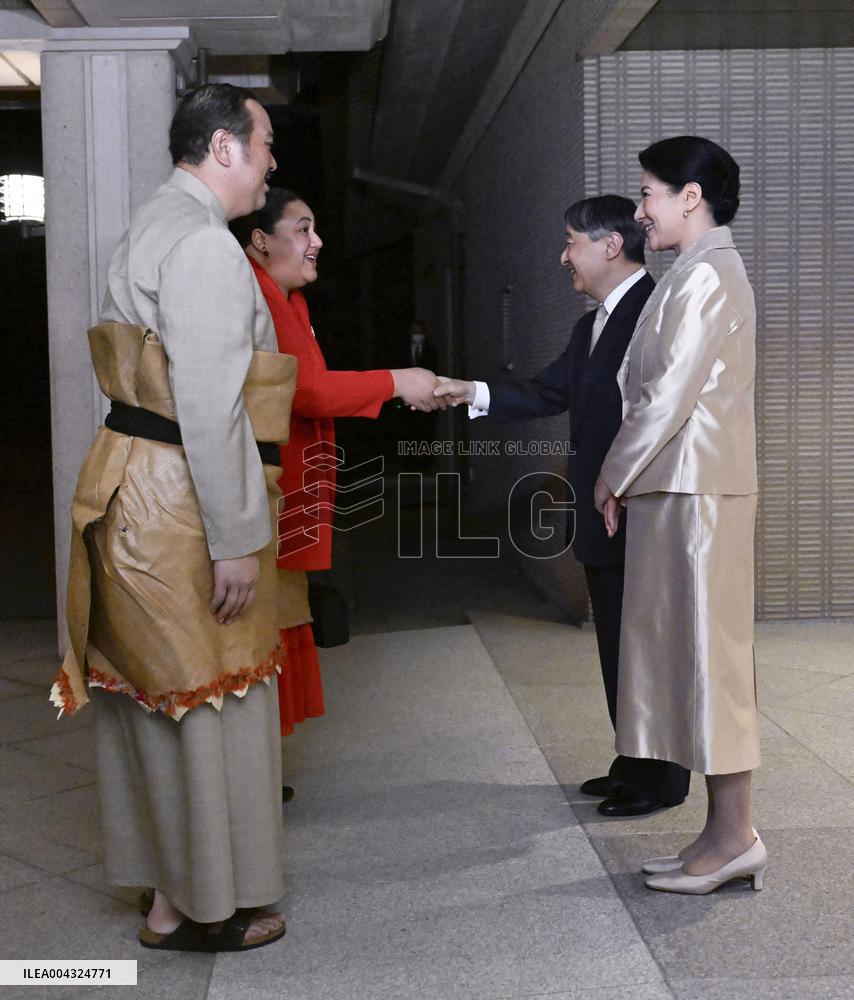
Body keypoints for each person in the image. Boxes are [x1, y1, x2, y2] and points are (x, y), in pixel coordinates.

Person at [51, 84, 297, 950]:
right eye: (264, 143)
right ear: (224, 147)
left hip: (136, 484)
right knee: (204, 699)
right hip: (179, 500)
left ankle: (165, 892)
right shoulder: (201, 246)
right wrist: (235, 541)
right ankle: (199, 906)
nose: (272, 163)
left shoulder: (156, 221)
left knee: (155, 701)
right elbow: (210, 405)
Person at [434, 196, 690, 817]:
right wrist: (467, 391)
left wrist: (619, 480)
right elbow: (547, 390)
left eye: (571, 242)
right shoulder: (591, 325)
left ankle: (663, 779)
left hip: (643, 511)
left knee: (648, 647)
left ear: (610, 246)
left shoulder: (655, 313)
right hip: (602, 514)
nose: (562, 256)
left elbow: (662, 414)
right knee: (615, 643)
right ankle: (633, 760)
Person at [594, 136, 765, 894]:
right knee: (688, 660)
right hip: (680, 491)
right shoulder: (693, 271)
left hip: (697, 496)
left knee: (710, 663)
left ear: (690, 197)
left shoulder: (709, 273)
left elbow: (667, 396)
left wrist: (611, 473)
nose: (641, 210)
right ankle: (718, 834)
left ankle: (734, 837)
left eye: (650, 193)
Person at [233, 188, 441, 770]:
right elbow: (309, 390)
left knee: (279, 616)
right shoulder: (262, 297)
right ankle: (253, 771)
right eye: (302, 228)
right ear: (260, 240)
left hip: (288, 479)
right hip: (265, 487)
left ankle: (262, 767)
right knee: (262, 625)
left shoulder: (285, 297)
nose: (316, 241)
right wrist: (396, 381)